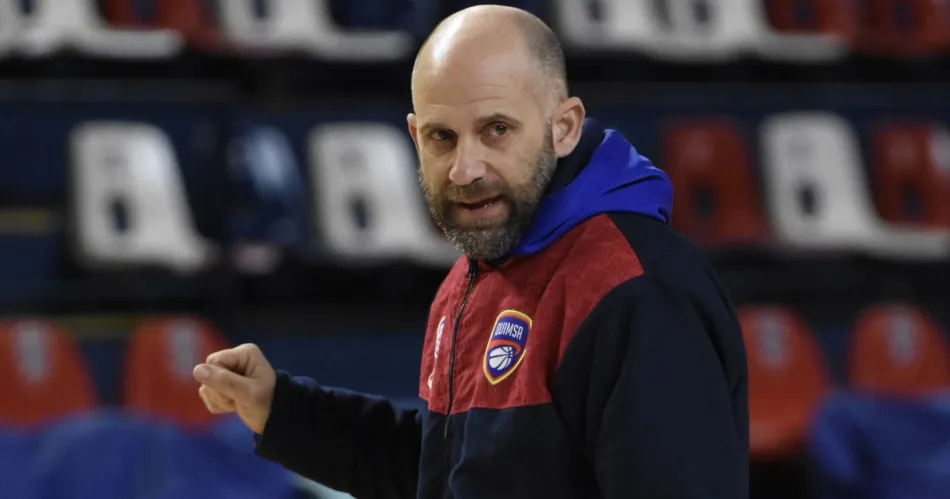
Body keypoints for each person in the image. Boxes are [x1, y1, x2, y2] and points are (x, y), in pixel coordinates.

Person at [193, 5, 749, 499]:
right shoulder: (483, 269)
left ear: (564, 128)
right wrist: (281, 410)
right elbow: (450, 472)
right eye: (443, 137)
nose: (464, 169)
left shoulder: (636, 291)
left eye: (496, 129)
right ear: (416, 137)